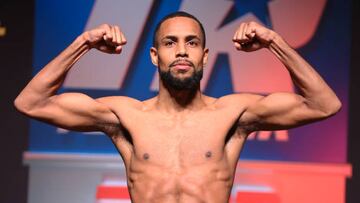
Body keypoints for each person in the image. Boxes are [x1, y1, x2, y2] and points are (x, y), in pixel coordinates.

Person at [14, 11, 341, 203]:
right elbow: (31, 102)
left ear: (205, 56)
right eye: (171, 43)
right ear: (155, 56)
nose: (182, 51)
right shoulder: (125, 115)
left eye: (192, 43)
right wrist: (83, 43)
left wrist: (274, 42)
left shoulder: (233, 114)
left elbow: (323, 104)